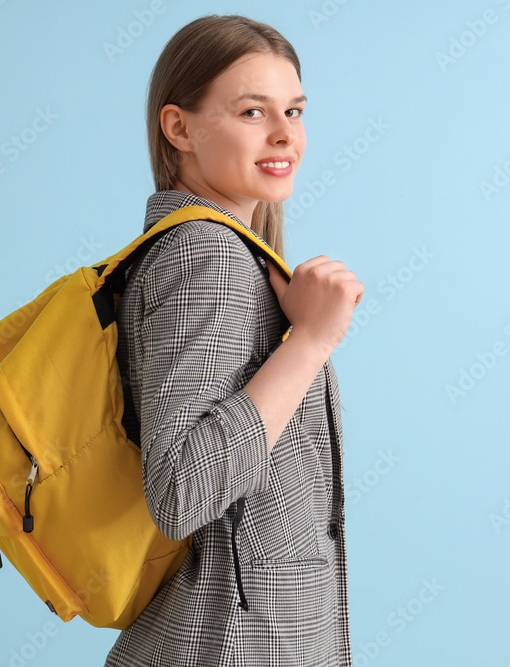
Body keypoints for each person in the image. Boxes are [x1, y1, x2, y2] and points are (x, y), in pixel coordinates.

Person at [105, 14, 364, 666]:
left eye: (294, 110)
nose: (286, 134)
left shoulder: (232, 255)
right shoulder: (206, 256)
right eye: (253, 111)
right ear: (179, 127)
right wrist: (309, 341)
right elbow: (181, 491)